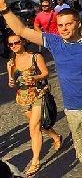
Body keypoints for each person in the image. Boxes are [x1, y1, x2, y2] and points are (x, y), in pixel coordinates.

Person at [0, 0, 82, 178]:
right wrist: (5, 9)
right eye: (60, 25)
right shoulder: (55, 42)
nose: (64, 28)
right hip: (71, 109)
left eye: (68, 24)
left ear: (78, 24)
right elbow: (21, 30)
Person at [6, 34, 62, 176]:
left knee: (33, 128)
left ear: (23, 42)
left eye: (16, 43)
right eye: (11, 44)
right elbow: (12, 81)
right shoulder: (10, 63)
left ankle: (35, 161)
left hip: (38, 95)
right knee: (40, 126)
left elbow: (45, 73)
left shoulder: (35, 57)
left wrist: (35, 77)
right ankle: (56, 136)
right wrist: (11, 82)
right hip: (22, 98)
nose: (14, 46)